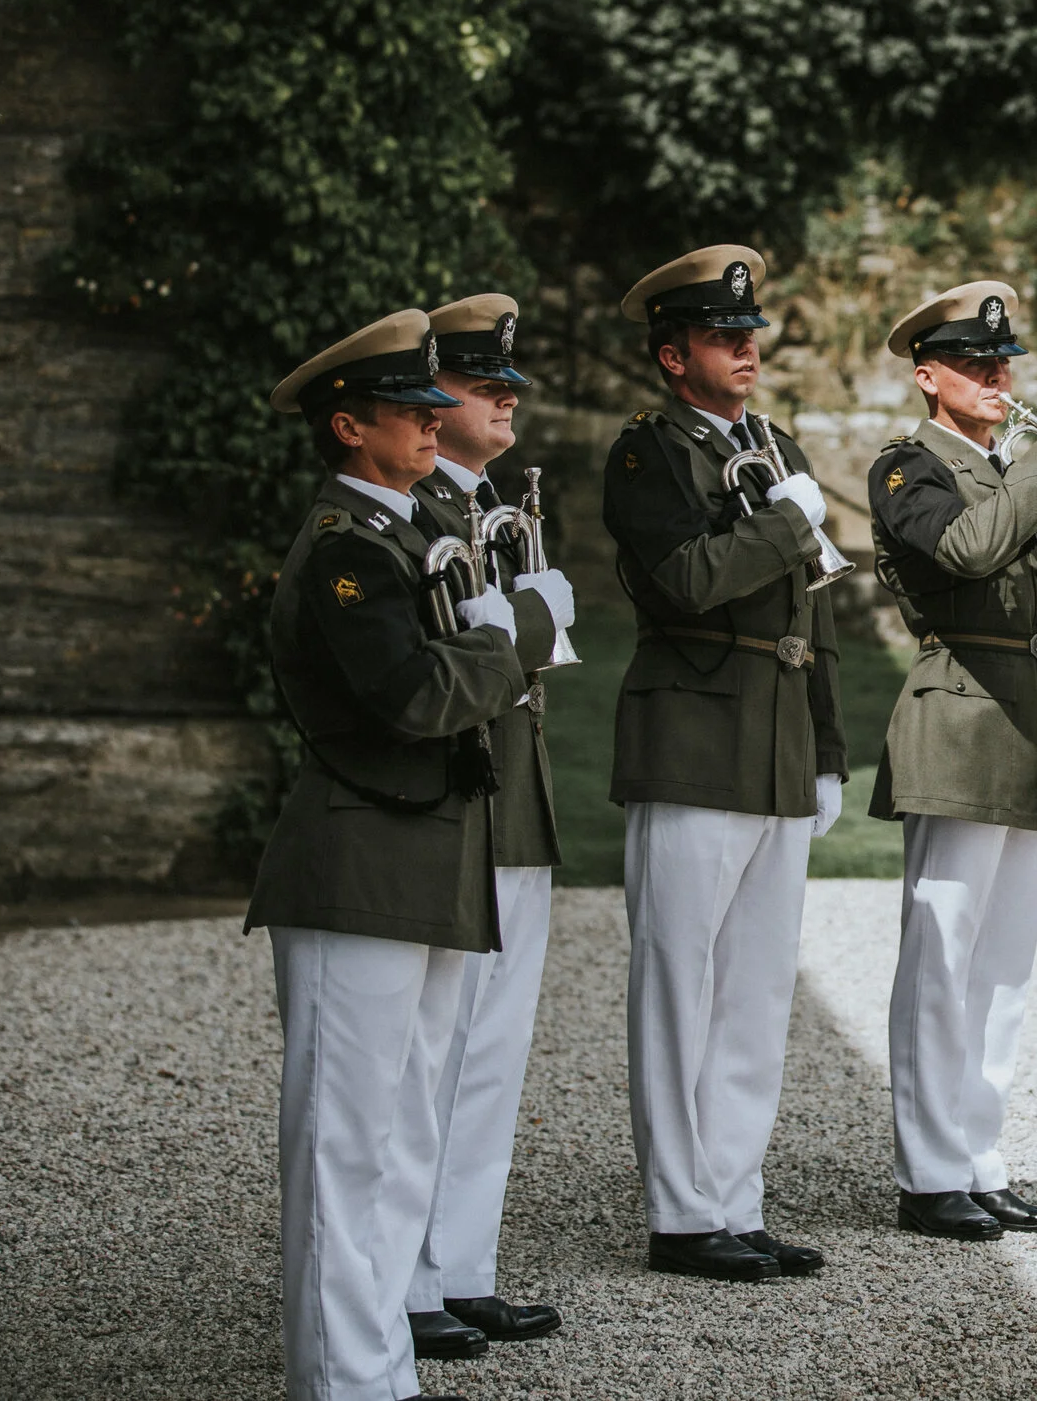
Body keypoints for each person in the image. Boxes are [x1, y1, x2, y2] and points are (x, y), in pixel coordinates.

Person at [248, 310, 569, 1401]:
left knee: (398, 1137)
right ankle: (343, 1380)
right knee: (347, 1149)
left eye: (436, 405)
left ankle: (379, 1367)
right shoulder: (349, 547)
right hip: (357, 862)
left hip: (416, 856)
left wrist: (493, 633)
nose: (433, 422)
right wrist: (519, 630)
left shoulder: (397, 534)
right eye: (407, 408)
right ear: (349, 426)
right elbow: (416, 696)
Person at [602, 244, 847, 1283]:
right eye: (721, 336)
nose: (746, 349)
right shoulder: (648, 453)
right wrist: (789, 520)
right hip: (693, 737)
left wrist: (827, 747)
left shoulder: (774, 442)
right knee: (679, 984)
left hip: (778, 736)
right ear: (674, 356)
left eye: (750, 333)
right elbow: (683, 581)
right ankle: (680, 1210)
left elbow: (812, 614)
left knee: (756, 989)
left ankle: (734, 1197)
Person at [866, 281, 1037, 1242]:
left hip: (1025, 716)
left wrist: (1036, 473)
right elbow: (968, 551)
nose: (998, 376)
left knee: (1003, 966)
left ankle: (978, 1157)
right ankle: (928, 1171)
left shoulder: (1007, 467)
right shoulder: (908, 468)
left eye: (1003, 362)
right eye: (975, 363)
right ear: (929, 376)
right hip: (958, 713)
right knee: (943, 956)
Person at [400, 294, 570, 1359]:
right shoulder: (417, 509)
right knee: (431, 1059)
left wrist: (534, 619)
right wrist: (540, 613)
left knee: (492, 1057)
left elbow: (530, 646)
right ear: (432, 397)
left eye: (509, 381)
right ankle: (410, 1280)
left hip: (516, 803)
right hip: (458, 805)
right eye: (481, 382)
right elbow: (514, 642)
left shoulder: (496, 503)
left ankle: (463, 1266)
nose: (506, 397)